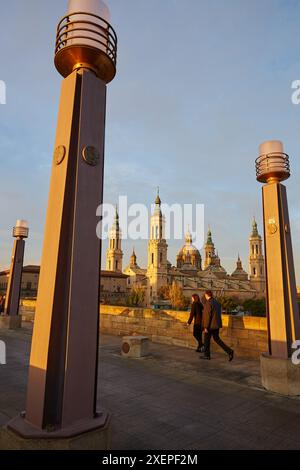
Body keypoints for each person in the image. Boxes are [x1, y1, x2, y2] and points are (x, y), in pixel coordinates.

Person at [201, 290, 234, 361]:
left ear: (206, 295)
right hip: (216, 325)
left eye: (205, 295)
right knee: (217, 339)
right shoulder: (216, 302)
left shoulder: (208, 303)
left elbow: (207, 316)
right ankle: (229, 351)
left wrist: (206, 327)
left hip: (210, 326)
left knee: (206, 340)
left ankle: (207, 355)